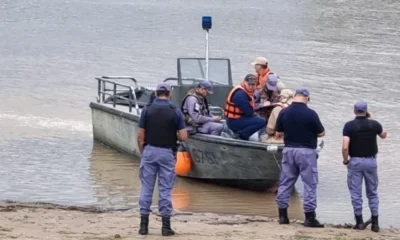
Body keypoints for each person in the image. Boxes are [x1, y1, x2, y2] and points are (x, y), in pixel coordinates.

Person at [137, 82, 188, 236]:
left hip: (149, 150)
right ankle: (166, 227)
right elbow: (184, 136)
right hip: (167, 152)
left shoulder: (147, 110)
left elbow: (140, 137)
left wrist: (144, 151)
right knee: (165, 189)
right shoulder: (175, 112)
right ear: (170, 94)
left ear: (155, 93)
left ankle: (143, 226)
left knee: (146, 188)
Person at [275, 88, 325, 228]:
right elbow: (321, 133)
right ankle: (309, 218)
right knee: (309, 183)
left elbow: (278, 132)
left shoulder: (284, 112)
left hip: (289, 150)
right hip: (306, 152)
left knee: (285, 182)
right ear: (307, 98)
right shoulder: (311, 114)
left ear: (295, 97)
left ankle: (283, 216)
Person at [342, 100, 387, 232]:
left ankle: (359, 222)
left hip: (355, 161)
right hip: (371, 161)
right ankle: (375, 223)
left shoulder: (349, 126)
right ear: (366, 111)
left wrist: (346, 161)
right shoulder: (374, 125)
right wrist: (371, 119)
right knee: (372, 192)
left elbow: (345, 147)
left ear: (354, 111)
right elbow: (384, 135)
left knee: (356, 193)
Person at [224, 74, 266, 140]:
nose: (251, 87)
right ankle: (241, 136)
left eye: (253, 85)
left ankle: (242, 133)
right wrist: (256, 115)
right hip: (233, 121)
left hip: (238, 118)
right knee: (261, 122)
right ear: (244, 82)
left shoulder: (246, 91)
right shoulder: (240, 94)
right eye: (249, 84)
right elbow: (249, 113)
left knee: (259, 118)